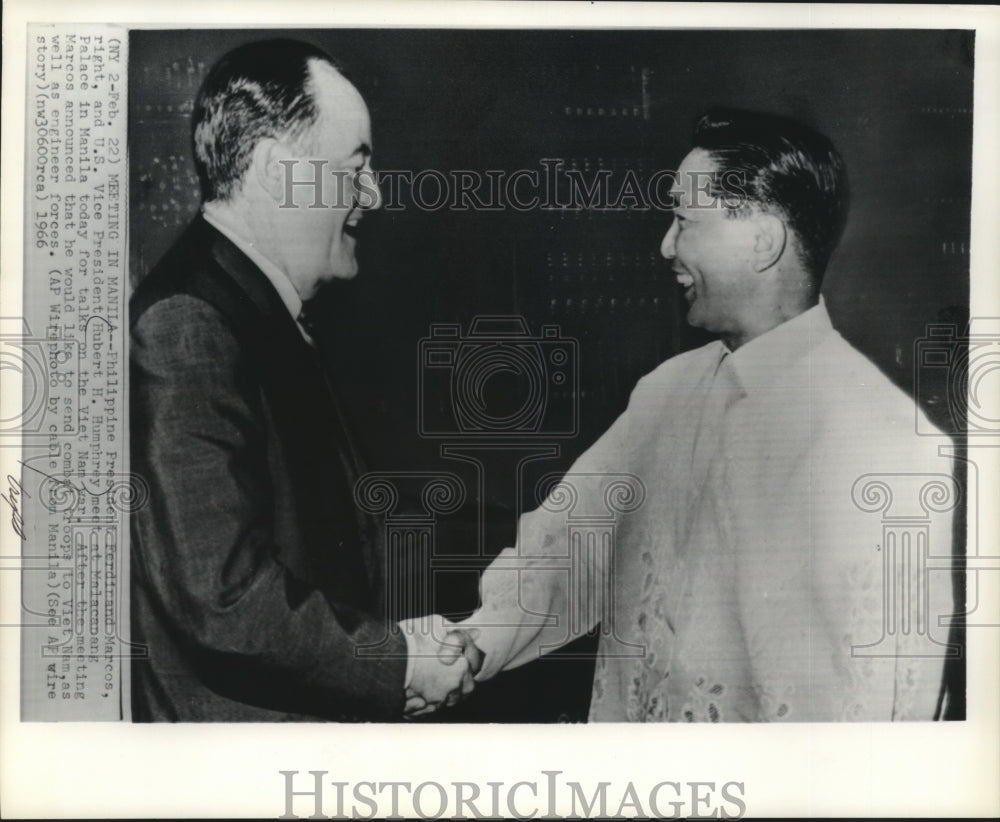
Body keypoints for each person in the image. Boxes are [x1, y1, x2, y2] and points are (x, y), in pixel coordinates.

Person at [424, 108, 956, 722]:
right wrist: (475, 643)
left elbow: (879, 712)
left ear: (764, 241)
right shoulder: (665, 393)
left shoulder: (889, 443)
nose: (666, 246)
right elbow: (568, 547)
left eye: (684, 220)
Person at [129, 38, 478, 721]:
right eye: (356, 168)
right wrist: (400, 660)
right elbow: (222, 599)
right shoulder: (188, 325)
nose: (373, 196)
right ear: (271, 172)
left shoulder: (245, 306)